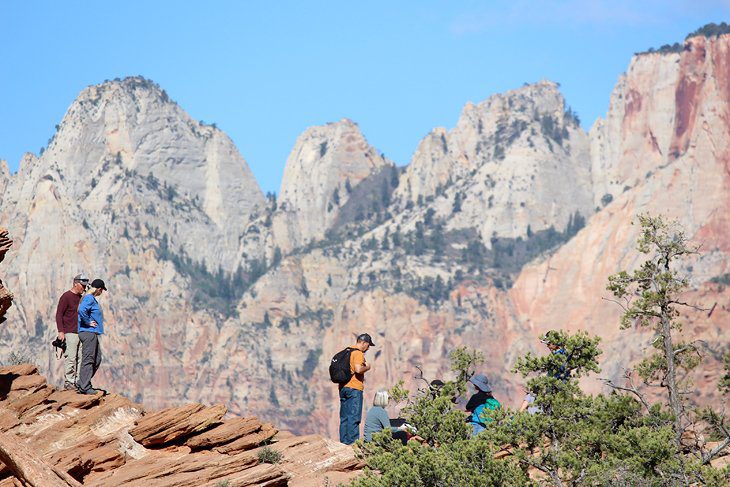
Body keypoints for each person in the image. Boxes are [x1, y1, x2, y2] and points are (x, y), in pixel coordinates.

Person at [338, 333, 375, 445]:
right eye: (368, 345)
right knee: (354, 417)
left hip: (343, 388)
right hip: (354, 388)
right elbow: (358, 369)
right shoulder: (358, 353)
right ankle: (353, 444)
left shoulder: (347, 352)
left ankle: (344, 442)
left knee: (344, 417)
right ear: (363, 343)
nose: (368, 348)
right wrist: (368, 367)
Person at [55, 273, 89, 390]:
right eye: (83, 285)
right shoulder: (66, 296)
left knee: (81, 358)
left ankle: (78, 382)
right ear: (76, 284)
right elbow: (59, 314)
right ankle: (69, 382)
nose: (84, 288)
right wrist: (61, 331)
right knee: (71, 357)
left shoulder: (82, 298)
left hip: (81, 332)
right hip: (70, 332)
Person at [76, 279, 107, 395]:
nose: (102, 292)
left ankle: (82, 382)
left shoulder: (90, 298)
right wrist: (88, 322)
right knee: (88, 359)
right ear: (99, 289)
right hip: (88, 332)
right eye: (102, 290)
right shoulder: (89, 298)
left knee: (97, 359)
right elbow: (81, 310)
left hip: (92, 333)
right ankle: (85, 386)